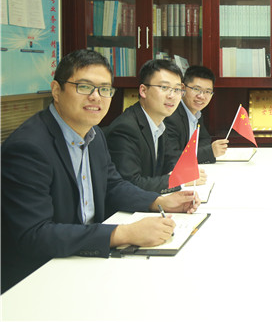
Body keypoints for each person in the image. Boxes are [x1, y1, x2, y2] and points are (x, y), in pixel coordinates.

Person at [1, 49, 200, 293]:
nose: (96, 97)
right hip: (38, 278)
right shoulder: (29, 147)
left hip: (83, 261)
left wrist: (159, 201)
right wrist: (122, 233)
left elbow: (113, 185)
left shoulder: (94, 135)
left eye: (105, 89)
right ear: (56, 90)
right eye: (84, 87)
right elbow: (35, 234)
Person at [105, 59, 207, 193]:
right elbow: (129, 184)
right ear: (143, 90)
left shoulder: (160, 123)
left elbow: (169, 160)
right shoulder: (126, 128)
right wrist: (177, 179)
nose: (172, 96)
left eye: (177, 89)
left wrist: (184, 171)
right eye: (164, 87)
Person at [164, 65, 228, 165]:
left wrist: (193, 153)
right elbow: (172, 158)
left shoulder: (196, 113)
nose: (201, 96)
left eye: (207, 91)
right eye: (196, 89)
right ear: (183, 88)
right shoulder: (171, 116)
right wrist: (209, 152)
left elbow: (204, 139)